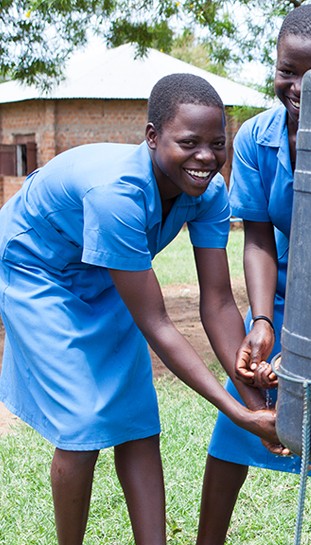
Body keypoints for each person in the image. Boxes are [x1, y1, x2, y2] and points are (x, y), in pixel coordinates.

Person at [0, 73, 280, 545]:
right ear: (152, 137)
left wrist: (260, 410)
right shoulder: (117, 196)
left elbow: (216, 302)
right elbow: (156, 322)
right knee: (84, 421)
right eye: (188, 142)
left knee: (136, 417)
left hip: (106, 269)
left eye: (217, 143)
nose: (206, 157)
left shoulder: (208, 193)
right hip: (38, 268)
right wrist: (237, 412)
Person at [197, 5, 311, 545]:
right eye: (287, 70)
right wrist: (262, 319)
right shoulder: (255, 137)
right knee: (237, 428)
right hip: (282, 293)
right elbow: (260, 235)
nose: (297, 86)